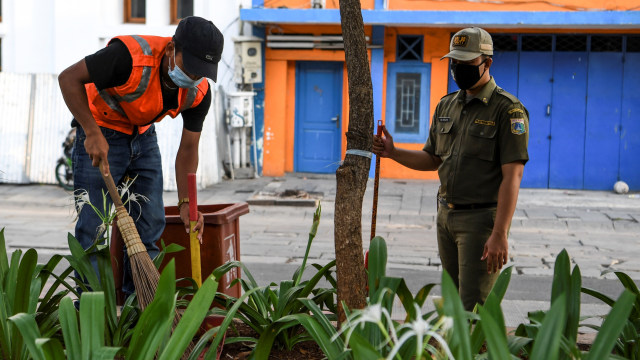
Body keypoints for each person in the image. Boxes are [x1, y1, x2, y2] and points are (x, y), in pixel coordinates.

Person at [58, 16, 224, 296]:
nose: (193, 78)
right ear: (172, 49)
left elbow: (188, 150)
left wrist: (186, 203)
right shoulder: (127, 57)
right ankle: (92, 316)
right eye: (191, 68)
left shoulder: (199, 94)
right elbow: (68, 78)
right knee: (93, 230)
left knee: (150, 227)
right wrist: (91, 132)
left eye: (201, 72)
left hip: (143, 137)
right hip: (101, 130)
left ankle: (140, 312)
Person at [373, 27, 529, 311]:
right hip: (446, 216)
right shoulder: (446, 105)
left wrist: (500, 233)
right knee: (453, 301)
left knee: (472, 307)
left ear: (487, 63)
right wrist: (392, 153)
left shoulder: (507, 110)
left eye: (466, 64)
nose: (458, 70)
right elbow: (432, 159)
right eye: (454, 63)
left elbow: (513, 176)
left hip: (480, 221)